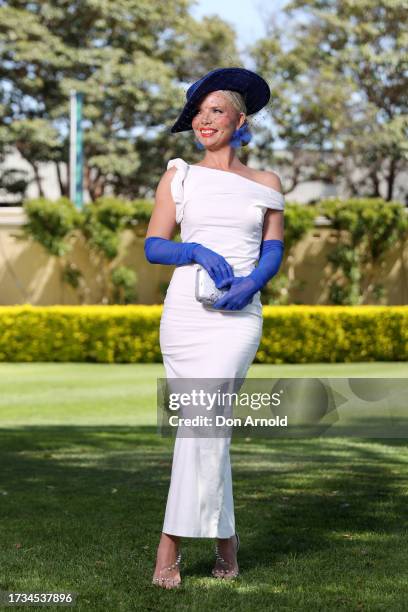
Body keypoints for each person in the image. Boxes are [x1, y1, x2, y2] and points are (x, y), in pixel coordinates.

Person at [144, 67, 285, 588]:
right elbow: (154, 245)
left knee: (202, 425)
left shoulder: (267, 183)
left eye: (216, 111)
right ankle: (227, 547)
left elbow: (273, 252)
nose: (205, 121)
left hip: (237, 321)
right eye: (199, 113)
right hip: (185, 315)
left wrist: (251, 285)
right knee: (206, 430)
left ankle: (169, 548)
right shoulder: (179, 175)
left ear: (240, 119)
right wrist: (196, 249)